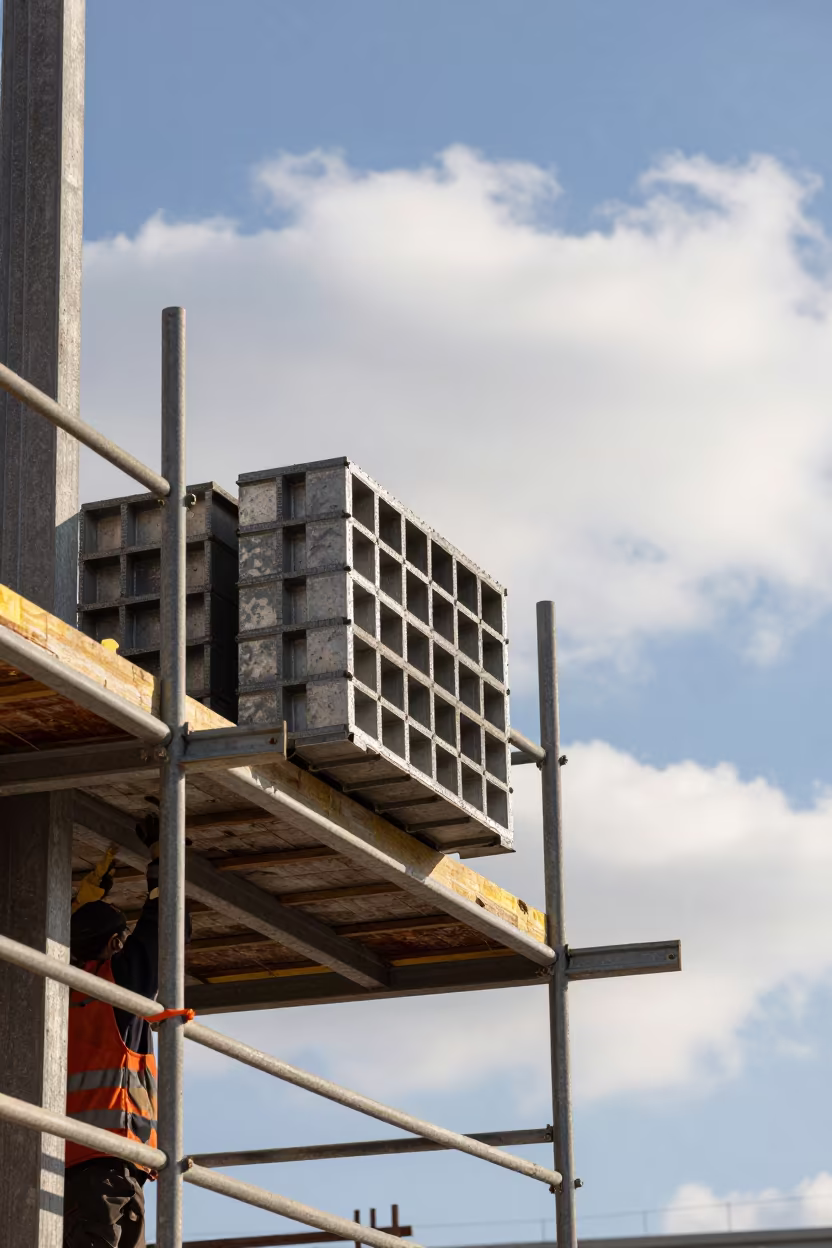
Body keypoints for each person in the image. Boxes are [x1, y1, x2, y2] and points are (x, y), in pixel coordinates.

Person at [63, 817, 161, 1248]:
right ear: (115, 945)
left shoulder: (54, 988)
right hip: (107, 1169)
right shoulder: (116, 987)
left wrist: (84, 905)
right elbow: (166, 926)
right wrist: (162, 854)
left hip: (65, 1164)